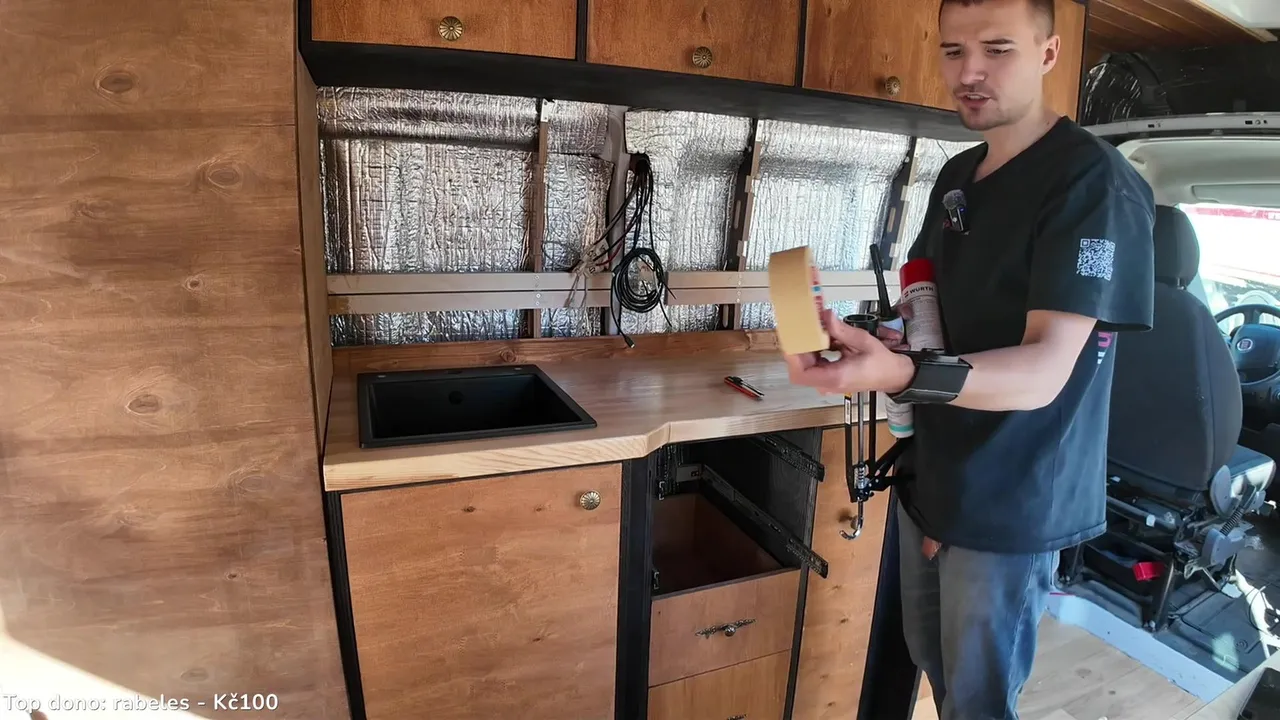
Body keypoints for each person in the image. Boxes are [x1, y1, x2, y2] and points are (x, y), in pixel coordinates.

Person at [783, 0, 1156, 717]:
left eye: (997, 49)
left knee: (977, 700)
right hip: (937, 470)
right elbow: (933, 318)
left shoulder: (1092, 185)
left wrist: (901, 374)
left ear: (1048, 54)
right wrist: (883, 340)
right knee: (933, 662)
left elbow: (1044, 371)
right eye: (953, 51)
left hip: (1014, 493)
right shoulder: (958, 173)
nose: (970, 72)